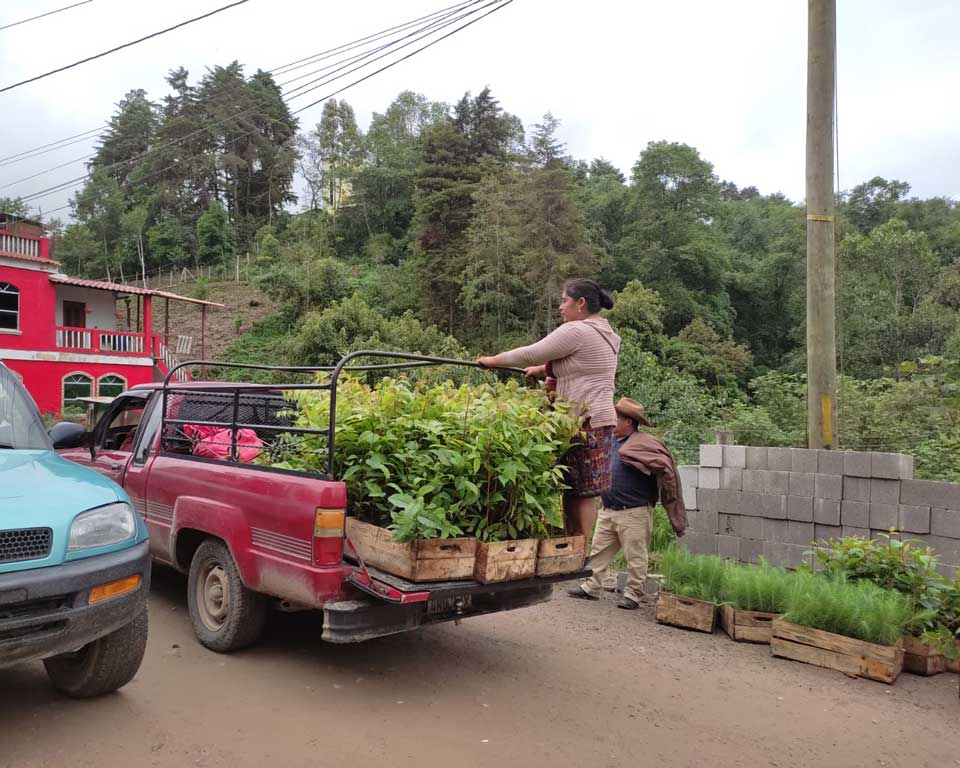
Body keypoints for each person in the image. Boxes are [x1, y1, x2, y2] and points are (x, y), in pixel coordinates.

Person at [477, 278, 621, 540]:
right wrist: (543, 370)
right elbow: (583, 364)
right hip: (597, 419)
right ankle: (576, 543)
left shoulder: (577, 330)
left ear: (580, 303)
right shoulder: (605, 332)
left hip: (585, 420)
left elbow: (531, 353)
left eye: (564, 301)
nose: (560, 307)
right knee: (575, 488)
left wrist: (493, 361)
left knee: (582, 490)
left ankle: (580, 546)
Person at [569, 398, 688, 609]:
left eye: (616, 418)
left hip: (634, 511)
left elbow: (664, 469)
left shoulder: (645, 444)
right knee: (598, 552)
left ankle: (633, 594)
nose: (612, 421)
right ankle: (591, 587)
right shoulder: (611, 442)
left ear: (628, 421)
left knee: (636, 556)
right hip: (609, 508)